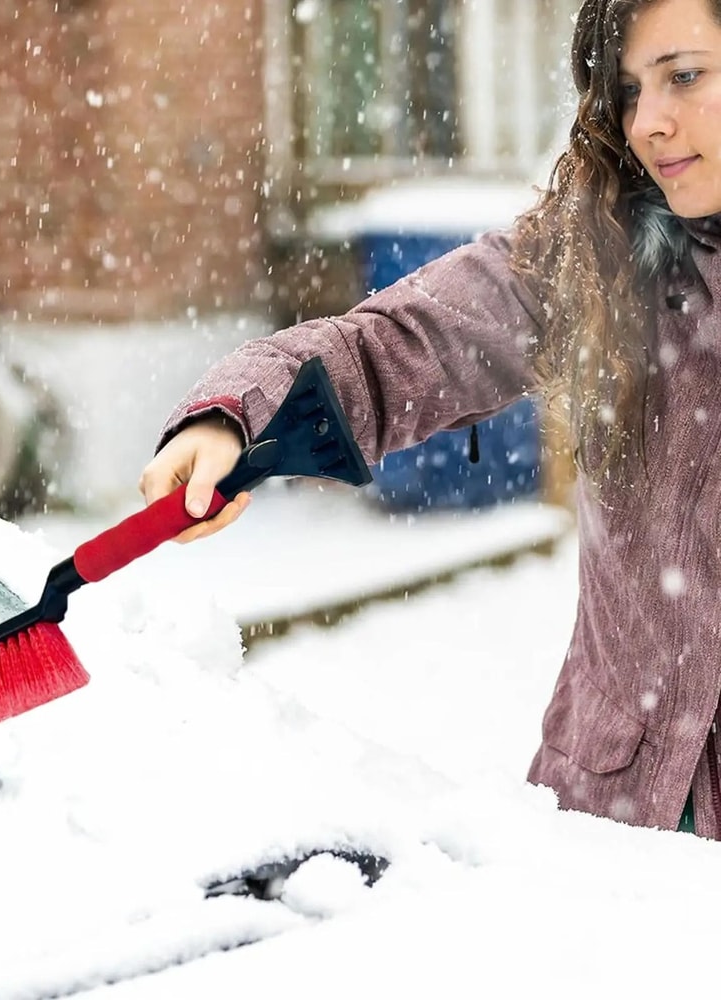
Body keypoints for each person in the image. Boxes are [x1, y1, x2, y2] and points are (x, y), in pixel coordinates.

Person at [138, 0, 721, 839]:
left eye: (685, 76)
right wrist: (235, 419)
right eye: (629, 91)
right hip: (610, 831)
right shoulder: (600, 250)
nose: (650, 124)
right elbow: (397, 343)